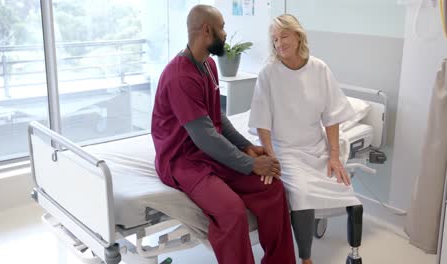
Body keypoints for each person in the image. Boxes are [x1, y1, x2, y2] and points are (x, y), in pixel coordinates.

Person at [151, 5, 296, 264]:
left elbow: (217, 118)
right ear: (207, 30)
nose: (226, 33)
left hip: (209, 152)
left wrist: (246, 146)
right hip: (182, 161)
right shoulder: (180, 77)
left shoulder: (207, 64)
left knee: (273, 189)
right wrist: (251, 164)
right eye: (223, 27)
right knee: (231, 211)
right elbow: (204, 137)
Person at [248, 14, 364, 264]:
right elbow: (262, 121)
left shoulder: (319, 69)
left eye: (284, 36)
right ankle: (306, 260)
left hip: (317, 149)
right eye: (275, 39)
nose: (279, 43)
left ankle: (355, 254)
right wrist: (270, 156)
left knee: (350, 196)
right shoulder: (268, 74)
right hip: (287, 153)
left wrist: (334, 156)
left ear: (298, 35)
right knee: (300, 197)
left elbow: (332, 115)